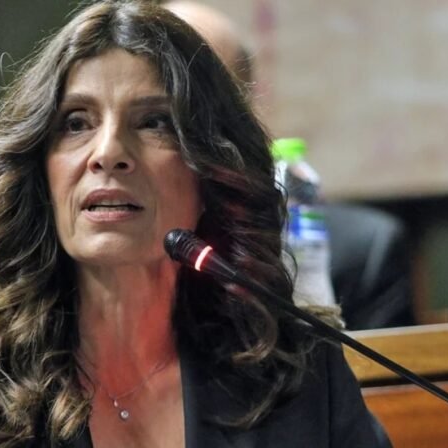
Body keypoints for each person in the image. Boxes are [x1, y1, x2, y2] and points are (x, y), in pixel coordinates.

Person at [0, 1, 390, 447]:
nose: (108, 153)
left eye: (154, 122)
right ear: (41, 169)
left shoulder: (299, 372)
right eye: (75, 123)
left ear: (212, 170)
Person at [164, 0, 415, 331]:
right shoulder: (108, 255)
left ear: (245, 115)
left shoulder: (363, 254)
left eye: (198, 101)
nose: (180, 126)